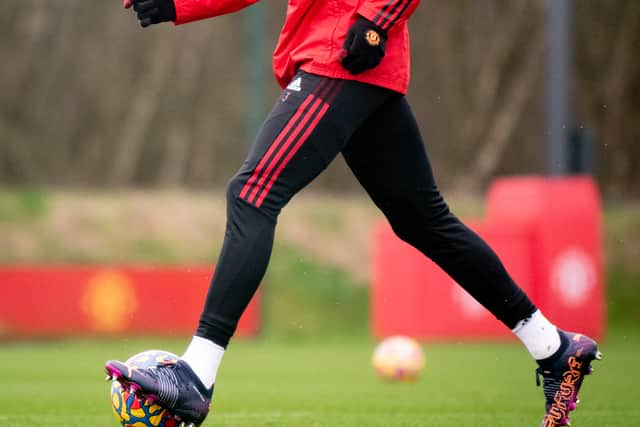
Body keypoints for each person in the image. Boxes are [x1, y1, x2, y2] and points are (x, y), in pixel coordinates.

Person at [105, 1, 602, 426]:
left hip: (342, 55)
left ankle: (196, 374)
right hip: (350, 57)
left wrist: (375, 21)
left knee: (252, 194)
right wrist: (178, 3)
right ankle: (554, 348)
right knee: (422, 220)